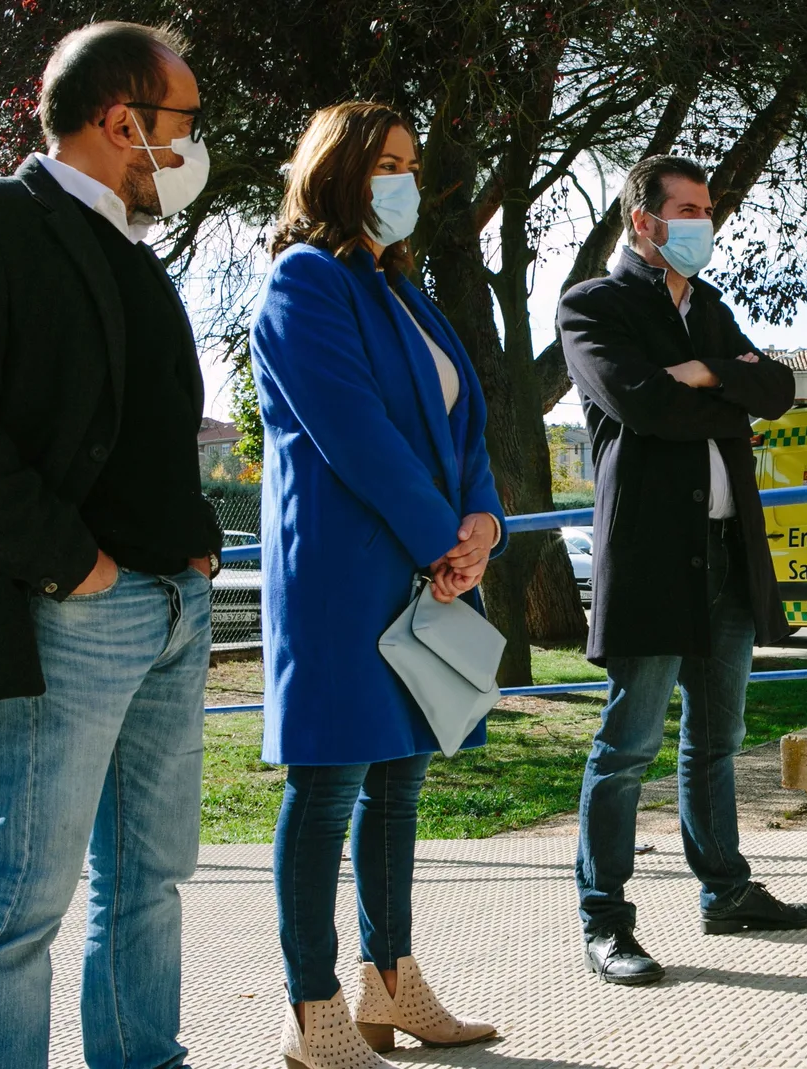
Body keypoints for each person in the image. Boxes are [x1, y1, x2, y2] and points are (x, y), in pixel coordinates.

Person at [0, 22, 221, 1069]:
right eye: (186, 122)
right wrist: (68, 562)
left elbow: (154, 420)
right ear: (125, 121)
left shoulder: (132, 246)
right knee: (25, 896)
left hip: (173, 604)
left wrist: (198, 546)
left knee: (149, 878)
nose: (197, 144)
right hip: (73, 607)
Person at [250, 102, 504, 1067]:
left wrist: (481, 524)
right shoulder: (303, 281)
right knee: (328, 785)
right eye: (383, 163)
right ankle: (311, 1008)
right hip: (347, 578)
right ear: (336, 172)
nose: (402, 180)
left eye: (410, 163)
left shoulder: (406, 289)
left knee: (397, 783)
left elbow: (462, 429)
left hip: (427, 571)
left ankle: (389, 986)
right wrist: (446, 537)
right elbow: (356, 433)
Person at [559, 155, 807, 986]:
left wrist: (710, 372)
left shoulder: (707, 309)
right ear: (643, 221)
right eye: (687, 208)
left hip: (726, 556)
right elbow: (639, 402)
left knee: (716, 740)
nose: (702, 223)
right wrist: (723, 394)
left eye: (707, 209)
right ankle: (606, 920)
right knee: (627, 744)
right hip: (649, 560)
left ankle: (727, 889)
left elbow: (779, 388)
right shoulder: (593, 305)